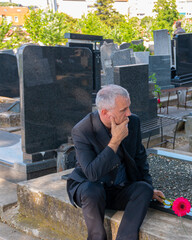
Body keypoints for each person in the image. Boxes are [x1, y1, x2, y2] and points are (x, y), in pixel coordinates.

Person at [66, 84, 165, 240]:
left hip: (118, 190)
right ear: (105, 113)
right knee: (93, 190)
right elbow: (92, 174)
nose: (129, 114)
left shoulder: (133, 122)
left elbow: (140, 159)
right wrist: (115, 141)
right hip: (90, 188)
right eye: (123, 110)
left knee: (144, 189)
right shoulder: (83, 130)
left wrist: (149, 189)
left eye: (128, 107)